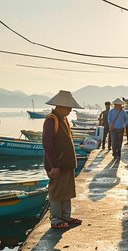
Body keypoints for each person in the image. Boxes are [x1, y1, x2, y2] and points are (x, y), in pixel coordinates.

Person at [42, 90, 83, 229]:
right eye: (69, 107)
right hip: (57, 164)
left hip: (66, 164)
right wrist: (54, 165)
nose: (71, 110)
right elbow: (47, 144)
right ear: (60, 106)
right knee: (56, 191)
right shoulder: (51, 119)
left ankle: (66, 216)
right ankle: (56, 219)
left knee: (66, 191)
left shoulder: (63, 119)